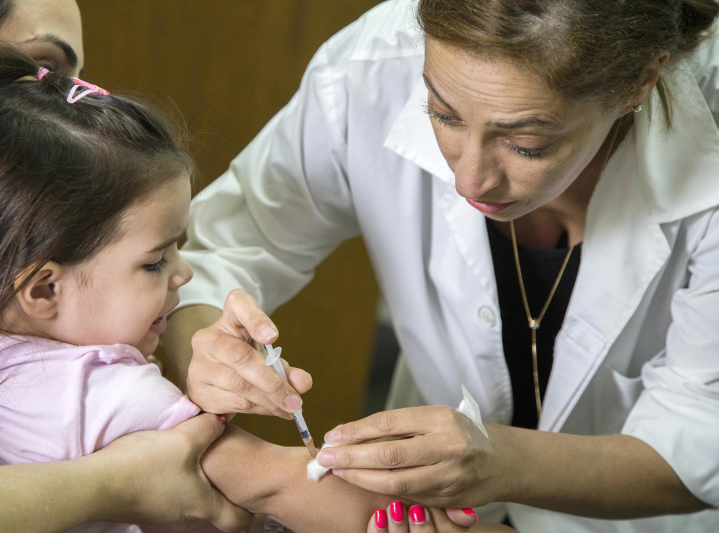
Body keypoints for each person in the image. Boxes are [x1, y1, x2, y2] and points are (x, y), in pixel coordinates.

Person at [165, 0, 719, 531]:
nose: (469, 180)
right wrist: (206, 344)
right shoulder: (375, 66)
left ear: (641, 82)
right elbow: (219, 250)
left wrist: (505, 460)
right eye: (442, 114)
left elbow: (698, 441)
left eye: (527, 144)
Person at [0, 45, 508, 533]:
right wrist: (420, 517)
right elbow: (281, 482)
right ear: (44, 289)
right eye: (154, 262)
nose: (185, 273)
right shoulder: (109, 393)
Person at [0, 1, 249, 531]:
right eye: (40, 71)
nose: (63, 104)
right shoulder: (110, 391)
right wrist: (119, 481)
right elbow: (282, 484)